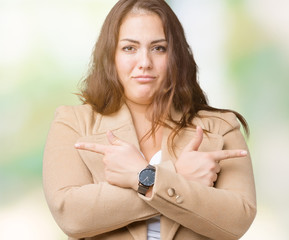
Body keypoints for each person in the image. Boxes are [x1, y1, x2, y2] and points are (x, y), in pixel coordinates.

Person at [42, 0, 256, 239]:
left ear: (176, 55)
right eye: (129, 48)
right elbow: (72, 215)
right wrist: (175, 175)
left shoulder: (221, 127)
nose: (144, 62)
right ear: (110, 55)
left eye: (158, 48)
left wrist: (146, 179)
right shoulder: (72, 122)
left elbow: (238, 220)